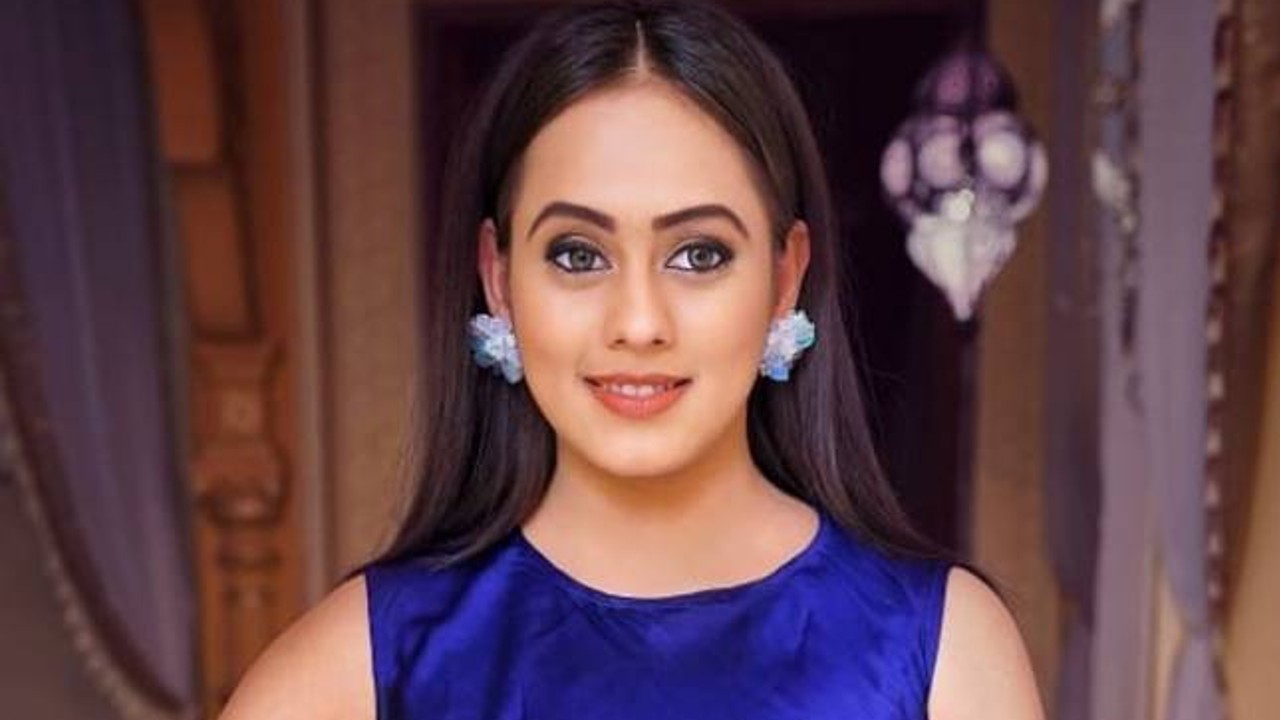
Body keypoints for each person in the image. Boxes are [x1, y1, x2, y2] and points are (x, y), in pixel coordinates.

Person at [221, 1, 1045, 718]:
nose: (640, 322)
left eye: (698, 254)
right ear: (499, 281)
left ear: (786, 278)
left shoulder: (940, 645)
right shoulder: (365, 663)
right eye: (579, 255)